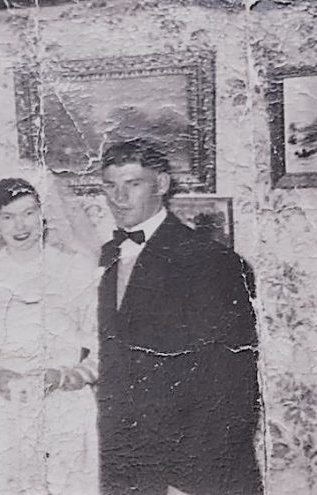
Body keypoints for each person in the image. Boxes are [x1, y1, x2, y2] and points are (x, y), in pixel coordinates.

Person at [96, 139, 262, 495]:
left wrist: (186, 483)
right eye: (110, 186)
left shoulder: (213, 263)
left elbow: (231, 388)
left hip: (193, 475)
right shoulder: (108, 258)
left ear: (162, 184)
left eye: (133, 184)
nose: (118, 198)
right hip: (127, 472)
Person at [0, 177, 99, 495]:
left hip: (64, 410)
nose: (19, 225)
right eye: (7, 216)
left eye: (28, 213)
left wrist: (65, 376)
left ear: (44, 213)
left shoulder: (75, 270)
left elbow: (103, 348)